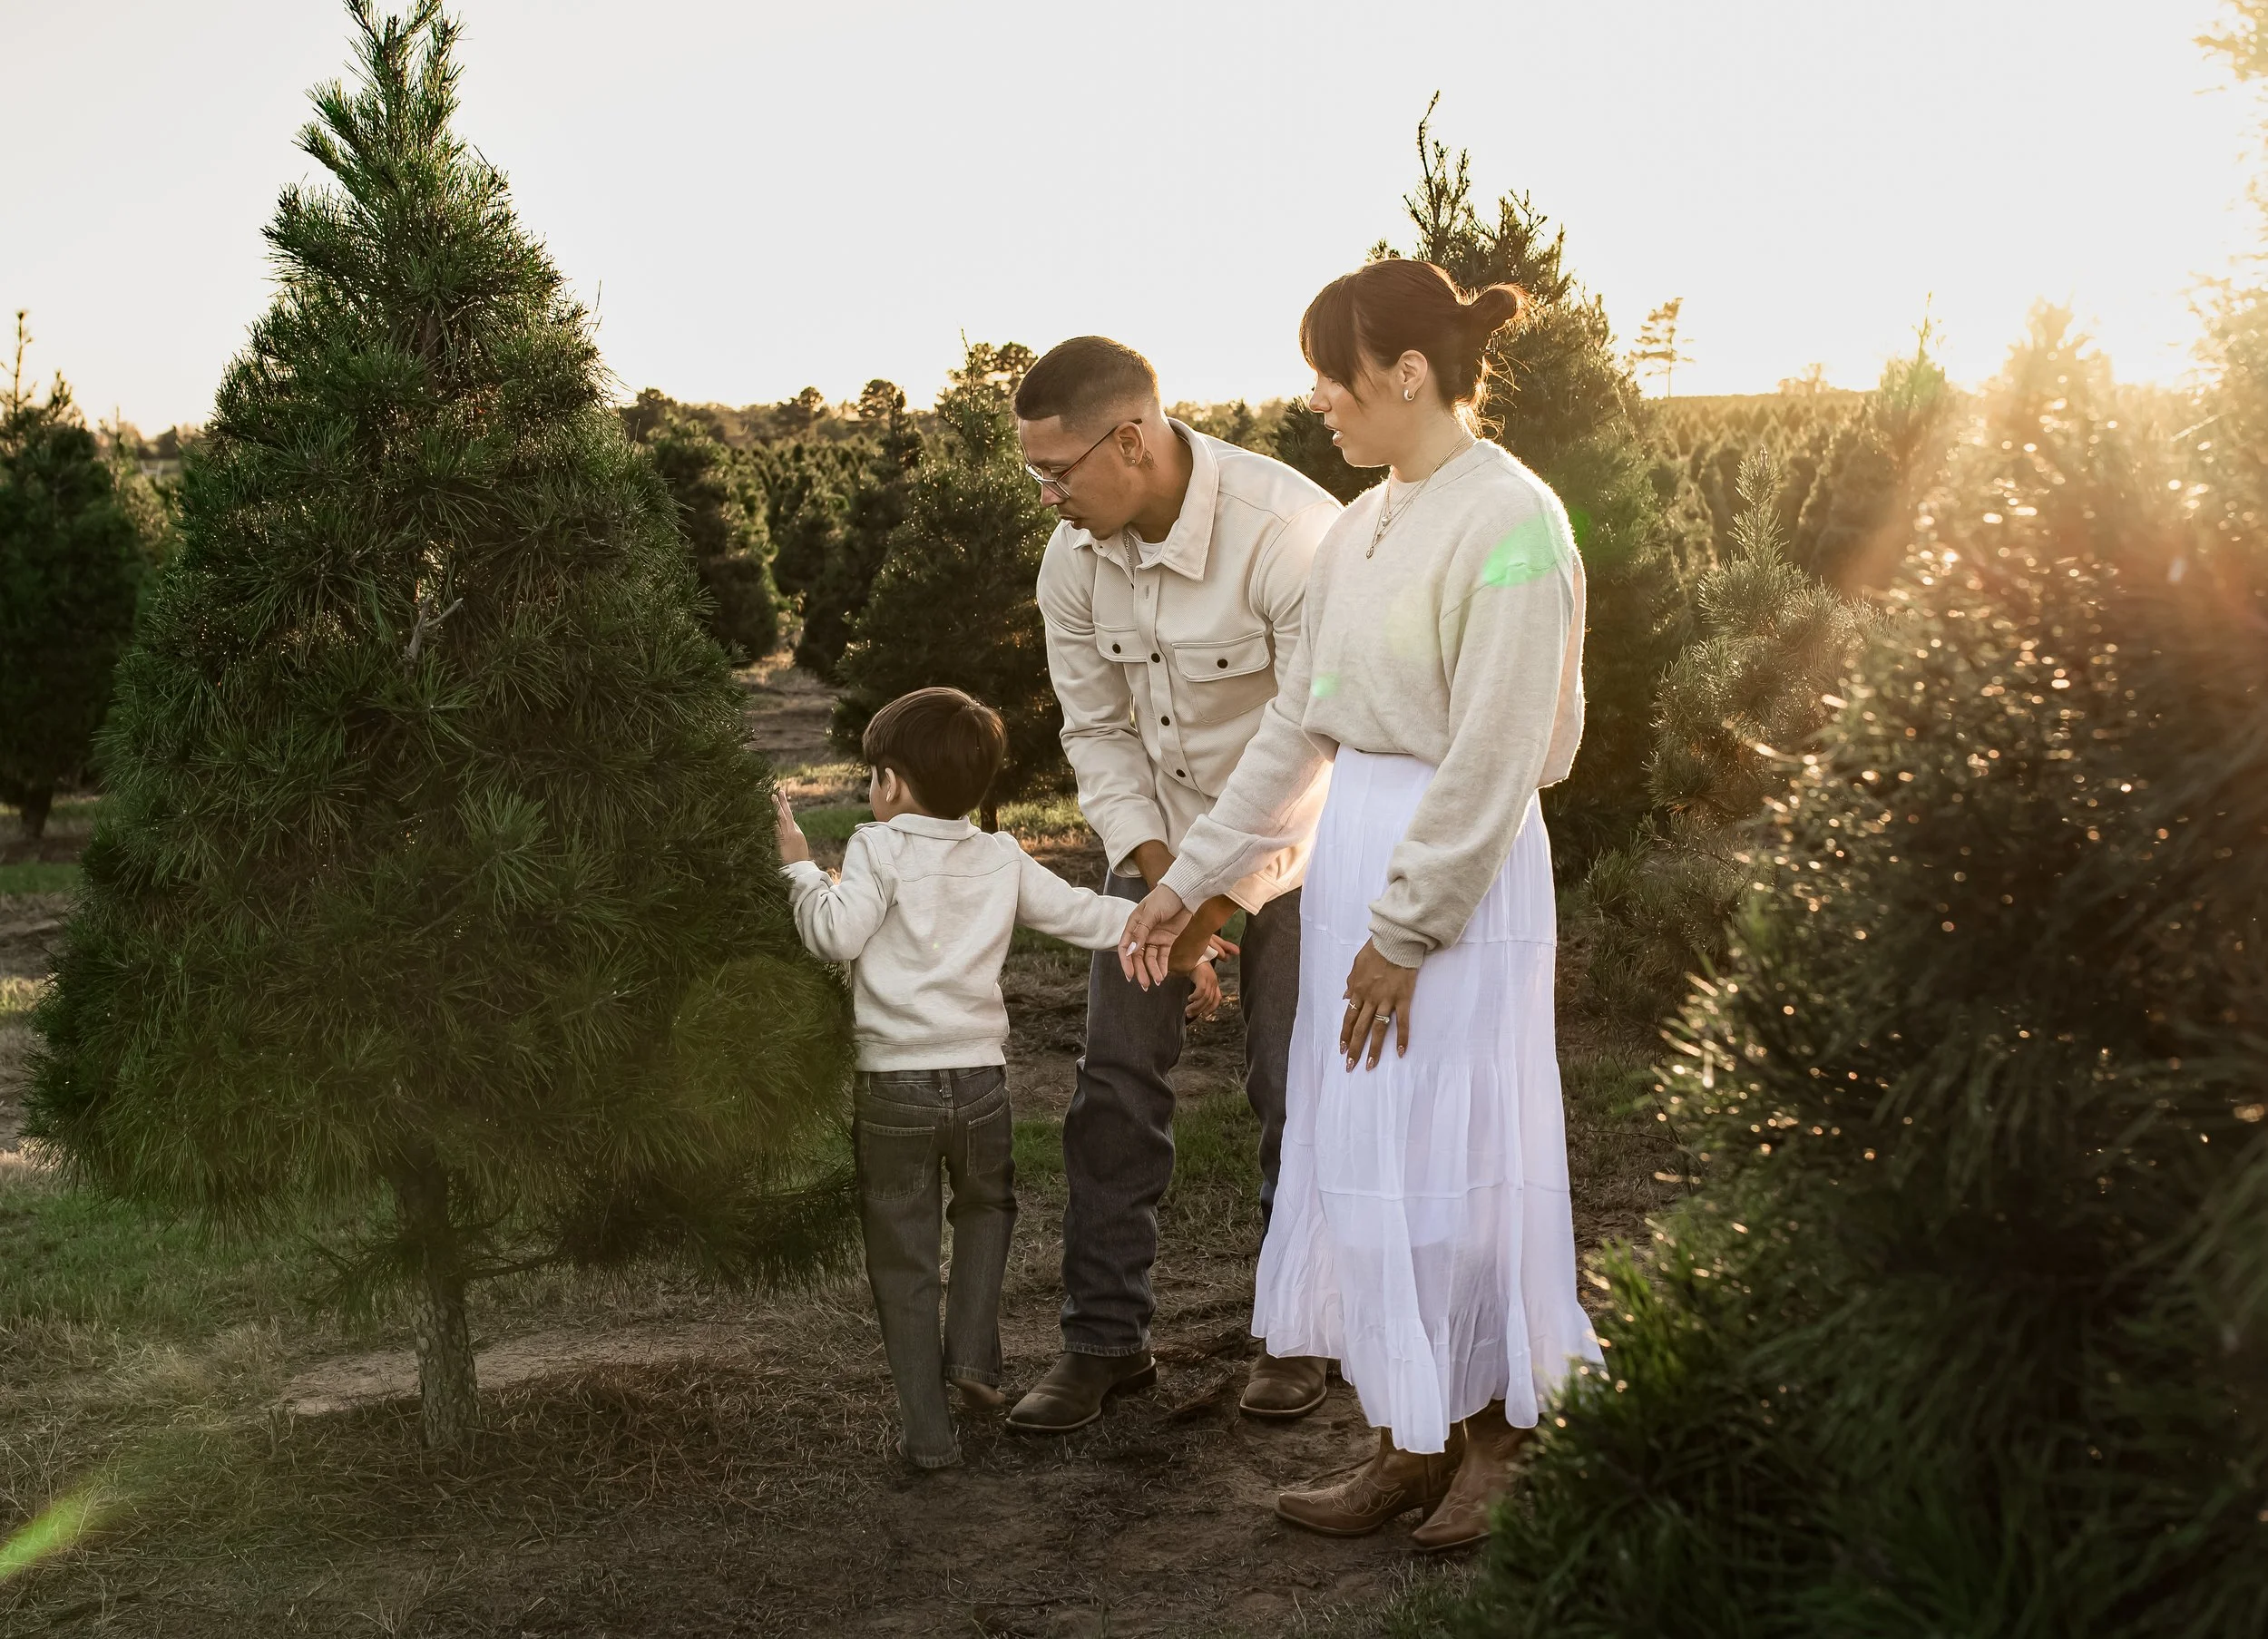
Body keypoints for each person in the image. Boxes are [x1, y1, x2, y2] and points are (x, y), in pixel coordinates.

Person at [1119, 260, 1601, 1549]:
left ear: (1405, 371)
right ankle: (1408, 1432)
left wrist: (1408, 930)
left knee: (1460, 1148)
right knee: (1370, 1150)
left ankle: (1500, 1442)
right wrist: (1193, 879)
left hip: (1459, 868)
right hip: (1354, 855)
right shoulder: (1367, 519)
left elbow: (1499, 753)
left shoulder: (1512, 520)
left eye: (1334, 371)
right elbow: (1297, 726)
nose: (1318, 396)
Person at [1008, 337, 1344, 1434]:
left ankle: (1302, 1331)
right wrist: (1159, 884)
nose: (1047, 496)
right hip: (1157, 845)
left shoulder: (1288, 534)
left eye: (1059, 471)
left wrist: (1202, 908)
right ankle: (1105, 1341)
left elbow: (1304, 745)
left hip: (1298, 842)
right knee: (1111, 1082)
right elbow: (1097, 732)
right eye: (1033, 475)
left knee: (1294, 1088)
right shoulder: (1072, 557)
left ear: (1135, 440)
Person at [775, 687, 1133, 1469]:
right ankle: (971, 1356)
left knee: (902, 1254)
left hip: (894, 1089)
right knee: (987, 1207)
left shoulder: (877, 846)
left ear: (891, 783)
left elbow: (837, 936)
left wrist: (801, 869)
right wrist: (1165, 931)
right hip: (981, 1086)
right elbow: (1081, 913)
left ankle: (929, 1436)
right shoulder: (999, 855)